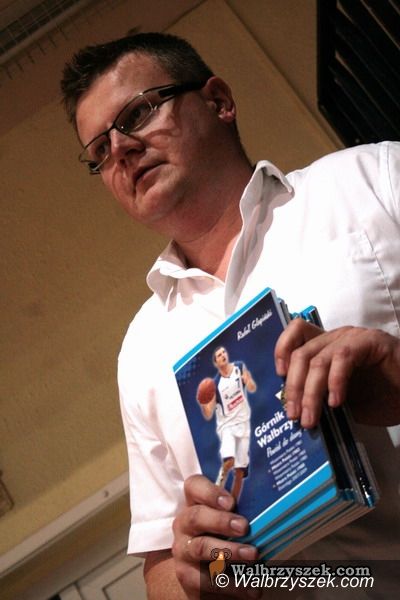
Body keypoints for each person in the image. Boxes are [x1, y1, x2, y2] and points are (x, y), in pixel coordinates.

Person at [60, 32, 400, 599]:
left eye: (137, 114)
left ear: (218, 101)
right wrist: (207, 573)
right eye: (99, 150)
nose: (119, 149)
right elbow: (163, 572)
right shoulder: (142, 353)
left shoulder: (374, 180)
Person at [199, 346, 257, 501]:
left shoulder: (239, 367)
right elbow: (208, 413)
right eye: (219, 355)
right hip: (227, 427)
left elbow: (252, 388)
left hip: (243, 423)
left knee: (239, 473)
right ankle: (219, 485)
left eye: (223, 352)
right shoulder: (215, 384)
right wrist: (203, 402)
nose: (223, 355)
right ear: (216, 362)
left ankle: (232, 504)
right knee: (230, 460)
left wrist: (248, 381)